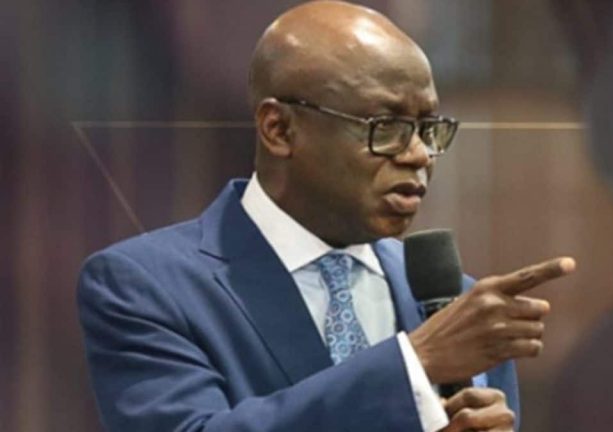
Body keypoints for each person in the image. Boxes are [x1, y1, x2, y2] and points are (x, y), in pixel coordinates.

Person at [78, 2, 575, 431]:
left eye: (428, 128)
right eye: (387, 125)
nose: (419, 154)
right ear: (279, 129)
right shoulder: (145, 286)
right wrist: (414, 364)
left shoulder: (455, 306)